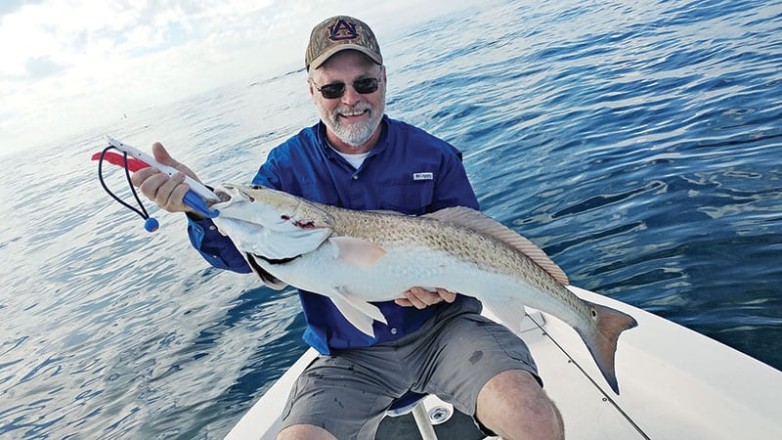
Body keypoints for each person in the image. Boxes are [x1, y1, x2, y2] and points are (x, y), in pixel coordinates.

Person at [131, 15, 564, 440]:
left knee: (532, 419)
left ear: (384, 79)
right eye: (333, 87)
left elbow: (473, 246)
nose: (350, 99)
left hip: (444, 332)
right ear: (312, 91)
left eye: (364, 83)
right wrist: (201, 210)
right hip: (348, 355)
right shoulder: (284, 167)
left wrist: (444, 289)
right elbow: (237, 253)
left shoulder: (433, 156)